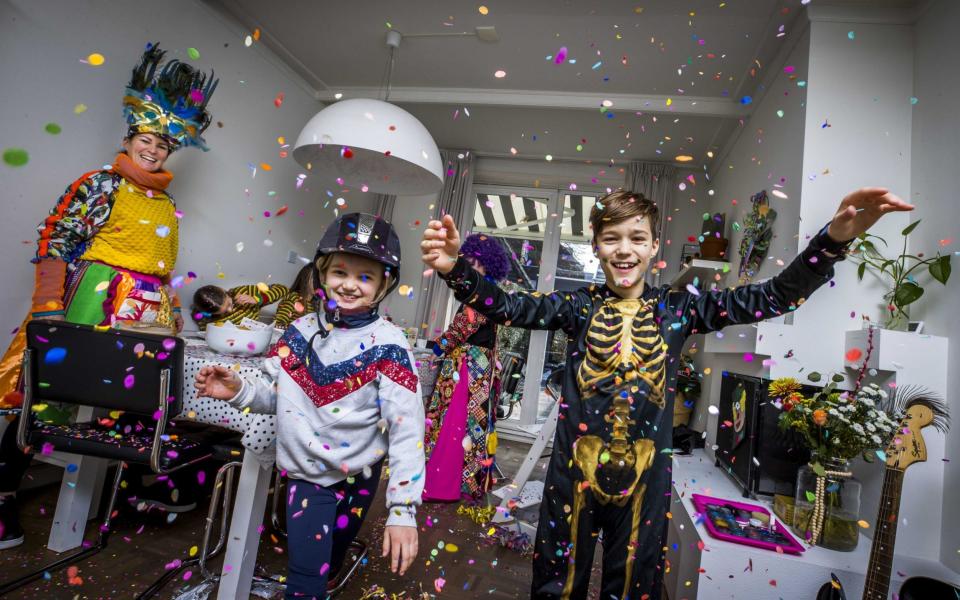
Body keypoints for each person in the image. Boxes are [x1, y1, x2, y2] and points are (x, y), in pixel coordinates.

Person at [421, 188, 912, 599]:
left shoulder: (680, 310)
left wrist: (831, 242)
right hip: (574, 468)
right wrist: (453, 268)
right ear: (596, 246)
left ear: (655, 246)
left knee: (636, 583)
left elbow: (772, 296)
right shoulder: (576, 307)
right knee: (556, 582)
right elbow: (508, 307)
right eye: (611, 238)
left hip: (648, 472)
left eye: (637, 237)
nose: (624, 249)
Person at [0, 42, 217, 549]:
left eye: (163, 145)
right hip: (95, 304)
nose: (154, 150)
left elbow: (161, 268)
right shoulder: (99, 184)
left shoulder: (167, 201)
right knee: (49, 400)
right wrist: (49, 310)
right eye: (146, 139)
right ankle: (4, 495)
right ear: (130, 136)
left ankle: (125, 491)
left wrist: (174, 311)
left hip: (147, 315)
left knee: (136, 408)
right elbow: (56, 241)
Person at [194, 213, 424, 597]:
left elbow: (407, 429)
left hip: (362, 477)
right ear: (321, 273)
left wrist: (402, 510)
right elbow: (279, 395)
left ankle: (330, 571)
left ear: (385, 284)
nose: (350, 285)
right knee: (306, 577)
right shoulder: (299, 332)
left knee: (333, 557)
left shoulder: (392, 346)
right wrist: (239, 391)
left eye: (365, 276)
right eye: (340, 272)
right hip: (308, 476)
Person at [422, 233, 510, 502]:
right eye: (467, 261)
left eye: (475, 263)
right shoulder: (486, 293)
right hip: (475, 368)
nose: (470, 267)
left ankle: (442, 484)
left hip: (468, 370)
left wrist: (435, 347)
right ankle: (458, 483)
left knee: (455, 423)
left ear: (487, 266)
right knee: (464, 426)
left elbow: (461, 330)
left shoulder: (482, 295)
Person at [191, 282, 289, 330]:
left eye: (229, 304)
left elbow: (283, 289)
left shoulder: (244, 292)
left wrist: (257, 299)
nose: (230, 310)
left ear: (225, 292)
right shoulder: (204, 316)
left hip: (253, 343)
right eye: (224, 312)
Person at [274, 263, 317, 329]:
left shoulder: (314, 305)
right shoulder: (294, 298)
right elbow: (279, 323)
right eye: (315, 279)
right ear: (305, 279)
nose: (319, 283)